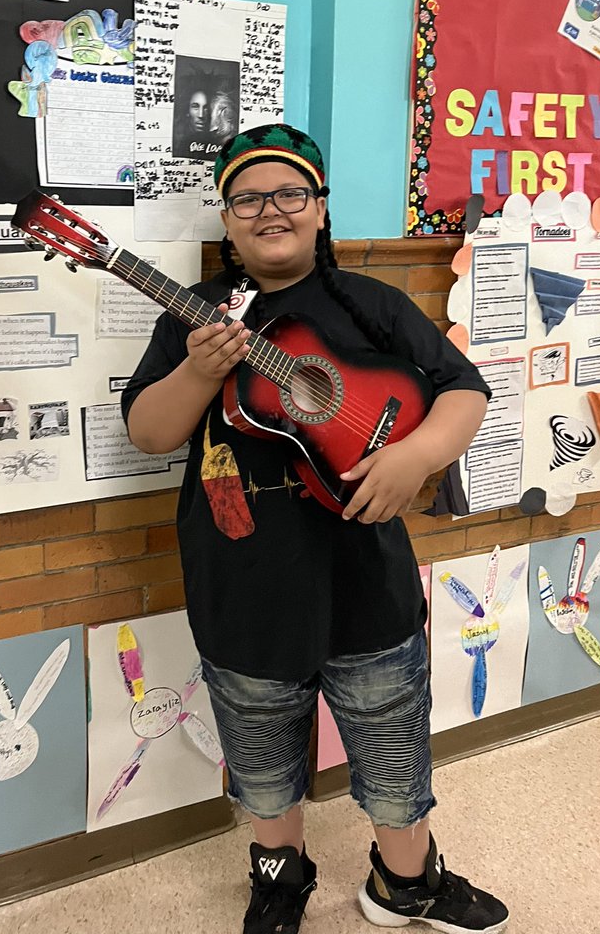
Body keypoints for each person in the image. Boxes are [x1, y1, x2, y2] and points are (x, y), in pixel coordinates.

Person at [122, 125, 509, 934]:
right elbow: (151, 434)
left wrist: (420, 455)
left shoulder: (370, 305)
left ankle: (409, 882)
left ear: (321, 208)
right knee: (262, 766)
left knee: (394, 752)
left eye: (290, 193)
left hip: (367, 583)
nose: (271, 210)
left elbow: (462, 389)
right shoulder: (198, 321)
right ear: (226, 220)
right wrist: (199, 368)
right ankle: (279, 879)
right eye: (248, 198)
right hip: (243, 587)